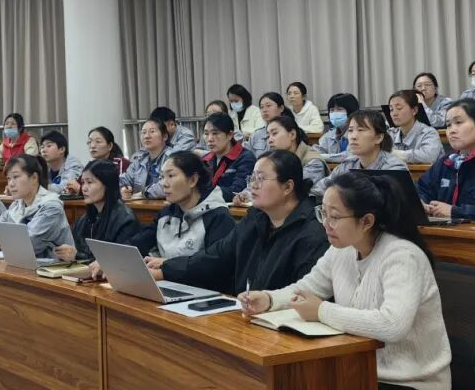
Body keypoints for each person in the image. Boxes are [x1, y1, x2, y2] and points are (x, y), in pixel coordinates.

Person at [240, 171, 451, 390]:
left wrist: (322, 311)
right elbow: (307, 287)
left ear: (366, 221)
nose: (326, 224)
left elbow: (392, 324)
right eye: (322, 213)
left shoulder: (402, 256)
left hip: (415, 387)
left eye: (335, 216)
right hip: (364, 374)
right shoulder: (341, 249)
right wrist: (268, 299)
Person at [149, 150, 329, 295]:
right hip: (244, 313)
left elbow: (305, 293)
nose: (253, 186)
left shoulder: (313, 232)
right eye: (252, 178)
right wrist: (167, 268)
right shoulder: (255, 219)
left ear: (288, 187)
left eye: (261, 179)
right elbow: (216, 256)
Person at [125, 151, 236, 259]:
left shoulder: (218, 216)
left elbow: (214, 263)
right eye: (162, 177)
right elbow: (138, 243)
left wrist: (166, 266)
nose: (164, 184)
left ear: (193, 180)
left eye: (171, 176)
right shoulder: (166, 213)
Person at [0, 155, 75, 256]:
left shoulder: (52, 207)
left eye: (15, 177)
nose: (11, 184)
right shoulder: (16, 206)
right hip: (22, 262)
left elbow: (28, 244)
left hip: (54, 265)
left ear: (34, 178)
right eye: (8, 178)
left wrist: (1, 240)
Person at [54, 160, 140, 262]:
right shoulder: (83, 219)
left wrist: (77, 256)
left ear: (107, 184)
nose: (84, 188)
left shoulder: (125, 219)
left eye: (90, 182)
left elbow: (118, 261)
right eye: (83, 182)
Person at [314, 110, 408, 197]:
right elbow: (319, 189)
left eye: (360, 130)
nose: (353, 136)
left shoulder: (394, 168)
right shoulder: (347, 165)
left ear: (378, 138)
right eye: (350, 130)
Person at [235, 115, 327, 204]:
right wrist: (244, 195)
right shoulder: (272, 160)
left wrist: (252, 195)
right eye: (268, 136)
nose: (270, 140)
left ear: (292, 134)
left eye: (274, 133)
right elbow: (257, 183)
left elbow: (294, 191)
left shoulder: (314, 162)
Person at [201, 112, 257, 200]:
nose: (210, 139)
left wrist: (202, 192)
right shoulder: (205, 159)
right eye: (206, 134)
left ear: (230, 135)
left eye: (215, 133)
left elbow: (238, 191)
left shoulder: (246, 158)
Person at [65, 127, 129, 194]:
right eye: (89, 142)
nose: (92, 146)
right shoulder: (91, 165)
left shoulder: (121, 164)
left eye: (98, 142)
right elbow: (78, 184)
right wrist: (71, 188)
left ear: (110, 146)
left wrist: (80, 189)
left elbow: (117, 190)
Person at [387, 90, 442, 164]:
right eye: (391, 109)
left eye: (399, 108)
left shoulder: (429, 133)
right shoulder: (390, 133)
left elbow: (429, 157)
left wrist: (398, 154)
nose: (394, 113)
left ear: (414, 110)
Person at [120, 118, 170, 200]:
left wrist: (142, 194)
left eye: (152, 131)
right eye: (143, 132)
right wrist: (124, 189)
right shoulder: (139, 159)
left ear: (165, 136)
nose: (146, 136)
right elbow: (125, 180)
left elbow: (168, 184)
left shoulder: (173, 158)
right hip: (140, 206)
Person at [317, 93, 360, 163]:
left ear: (351, 112)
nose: (334, 113)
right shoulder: (327, 136)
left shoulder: (359, 134)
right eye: (332, 110)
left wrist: (323, 157)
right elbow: (315, 154)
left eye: (339, 109)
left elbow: (350, 156)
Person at [246, 92, 292, 157]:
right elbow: (248, 157)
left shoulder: (289, 130)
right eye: (261, 107)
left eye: (268, 106)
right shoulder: (256, 135)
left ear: (281, 108)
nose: (264, 110)